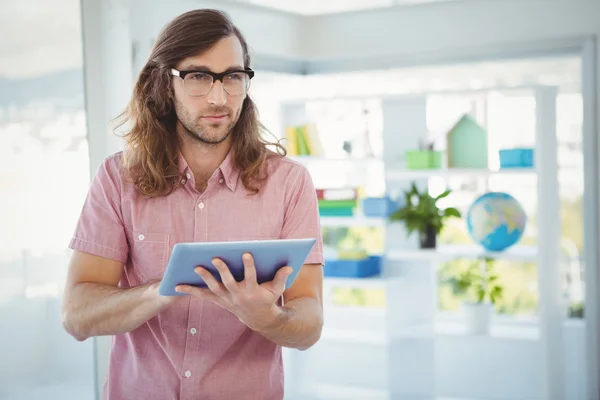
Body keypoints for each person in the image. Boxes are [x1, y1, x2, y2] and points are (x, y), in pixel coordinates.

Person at [61, 8, 324, 400]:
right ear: (164, 83)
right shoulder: (118, 179)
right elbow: (76, 316)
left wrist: (268, 317)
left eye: (233, 77)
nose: (219, 98)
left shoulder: (289, 182)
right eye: (199, 77)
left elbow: (309, 324)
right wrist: (162, 291)